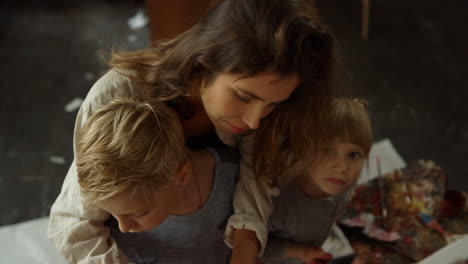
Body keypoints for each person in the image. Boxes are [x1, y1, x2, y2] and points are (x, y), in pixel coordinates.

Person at [48, 0, 335, 263]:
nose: (254, 121)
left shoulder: (261, 114)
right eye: (244, 97)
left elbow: (257, 170)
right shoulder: (116, 95)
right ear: (203, 62)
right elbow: (75, 224)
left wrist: (245, 248)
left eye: (274, 104)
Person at [75, 98, 238, 263]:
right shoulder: (115, 196)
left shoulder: (233, 180)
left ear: (182, 176)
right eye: (112, 213)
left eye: (139, 214)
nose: (123, 228)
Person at [259, 98, 372, 264]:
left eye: (353, 155)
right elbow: (251, 245)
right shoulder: (279, 202)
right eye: (326, 151)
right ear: (302, 149)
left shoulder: (337, 182)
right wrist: (300, 252)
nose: (342, 167)